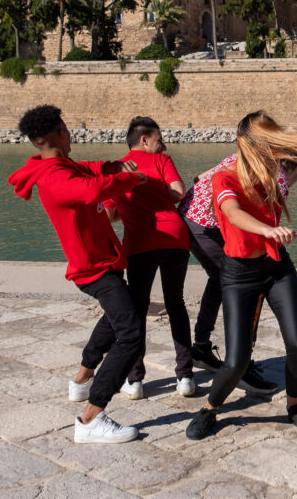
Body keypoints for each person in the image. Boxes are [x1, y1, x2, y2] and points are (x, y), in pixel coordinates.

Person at [185, 110, 297, 440]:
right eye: (268, 147)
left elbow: (294, 165)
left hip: (277, 268)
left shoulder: (271, 175)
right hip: (240, 275)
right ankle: (210, 408)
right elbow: (233, 212)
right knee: (237, 361)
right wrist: (268, 231)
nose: (273, 155)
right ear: (251, 147)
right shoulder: (224, 178)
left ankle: (295, 406)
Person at [7, 105, 146, 444]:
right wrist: (130, 178)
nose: (70, 134)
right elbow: (90, 190)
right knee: (131, 334)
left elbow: (89, 170)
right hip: (92, 268)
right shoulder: (55, 176)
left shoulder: (58, 165)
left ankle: (82, 381)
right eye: (66, 129)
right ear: (59, 134)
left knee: (116, 320)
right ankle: (91, 418)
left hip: (101, 263)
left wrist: (115, 165)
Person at [177, 151, 297, 395]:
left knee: (220, 279)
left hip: (189, 213)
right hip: (206, 225)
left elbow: (207, 176)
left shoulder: (248, 156)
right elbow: (255, 221)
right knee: (247, 283)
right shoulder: (278, 177)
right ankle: (241, 365)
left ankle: (202, 348)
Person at [102, 116, 195, 398]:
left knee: (138, 309)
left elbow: (111, 215)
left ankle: (135, 380)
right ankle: (186, 377)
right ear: (145, 140)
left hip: (139, 243)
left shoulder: (116, 171)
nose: (162, 143)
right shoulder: (162, 161)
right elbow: (178, 192)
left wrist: (131, 203)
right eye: (158, 138)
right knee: (175, 303)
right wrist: (159, 195)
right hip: (175, 238)